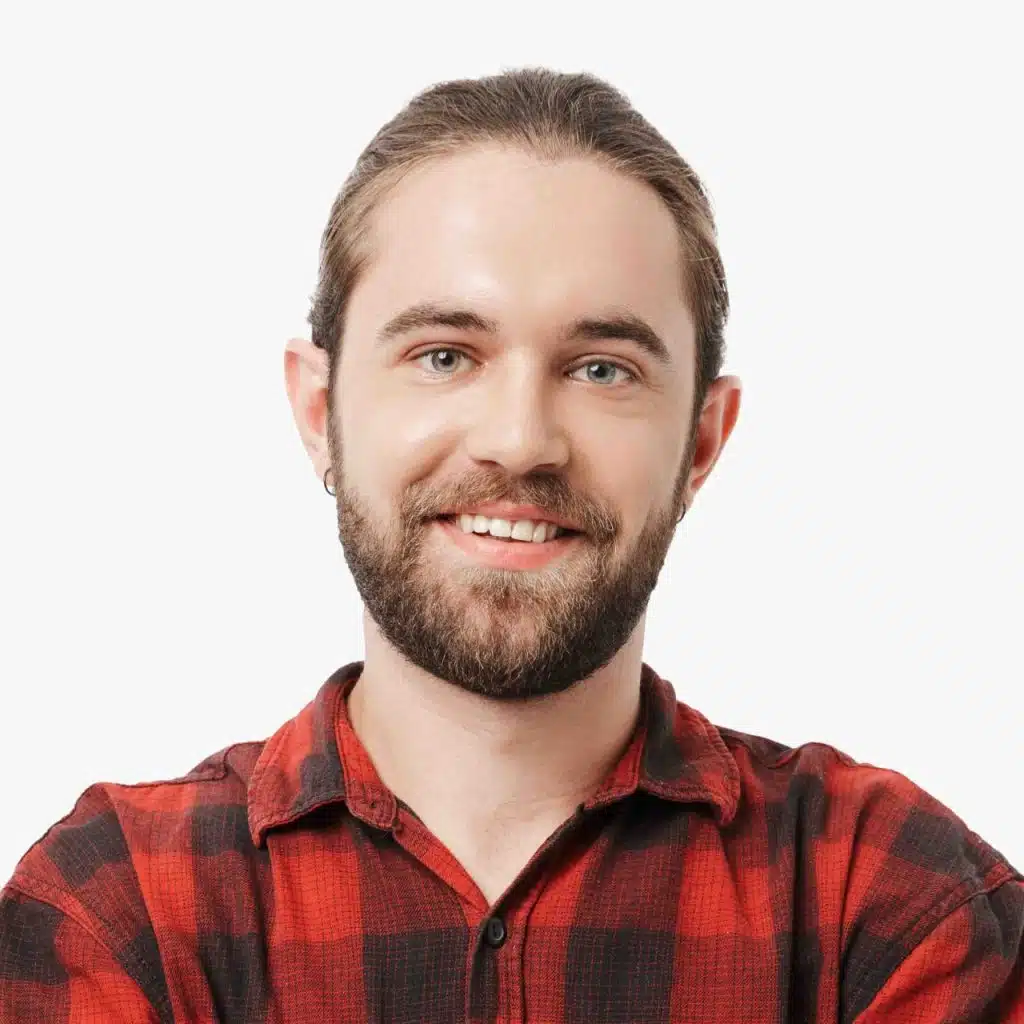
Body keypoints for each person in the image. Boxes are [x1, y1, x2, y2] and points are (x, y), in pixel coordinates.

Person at [1, 67, 1021, 1024]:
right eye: (445, 355)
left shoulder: (888, 900)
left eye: (602, 368)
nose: (521, 440)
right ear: (319, 410)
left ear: (703, 440)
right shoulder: (122, 908)